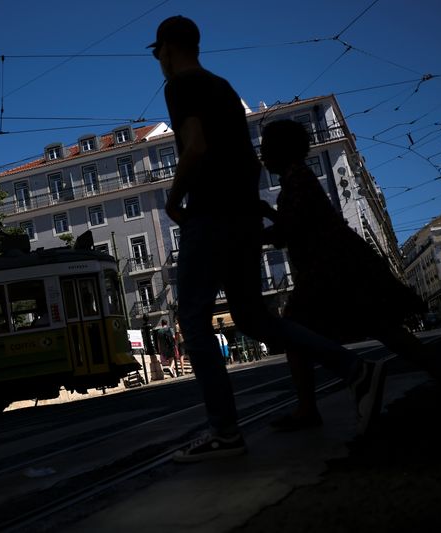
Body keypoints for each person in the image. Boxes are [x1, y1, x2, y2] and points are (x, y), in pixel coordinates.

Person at [150, 16, 384, 462]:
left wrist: (174, 199)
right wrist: (254, 213)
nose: (158, 60)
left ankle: (224, 431)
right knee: (256, 318)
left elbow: (195, 147)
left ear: (167, 47)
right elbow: (246, 163)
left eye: (158, 51)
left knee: (195, 322)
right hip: (240, 220)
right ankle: (355, 369)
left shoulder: (181, 86)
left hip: (210, 216)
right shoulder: (223, 88)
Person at [259, 119, 441, 430]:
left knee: (294, 330)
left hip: (330, 268)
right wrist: (268, 215)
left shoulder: (299, 180)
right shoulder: (297, 180)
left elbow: (292, 229)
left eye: (266, 149)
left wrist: (256, 230)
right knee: (383, 328)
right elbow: (291, 228)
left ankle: (308, 409)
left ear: (282, 151)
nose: (263, 157)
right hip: (340, 265)